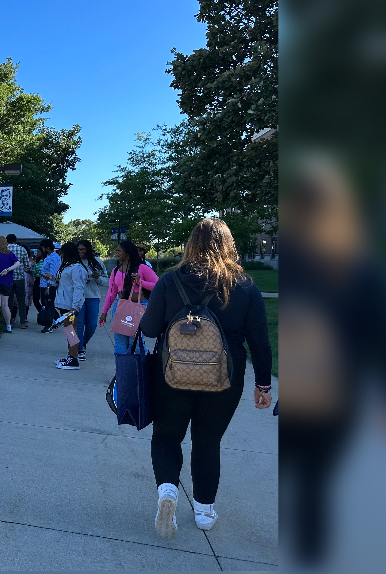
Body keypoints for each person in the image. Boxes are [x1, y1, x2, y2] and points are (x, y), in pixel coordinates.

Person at [139, 218, 274, 539]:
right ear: (228, 245)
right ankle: (203, 511)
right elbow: (260, 341)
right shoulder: (244, 286)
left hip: (172, 373)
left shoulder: (170, 282)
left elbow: (149, 329)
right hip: (224, 377)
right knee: (208, 440)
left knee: (167, 436)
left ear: (190, 245)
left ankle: (168, 491)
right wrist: (263, 385)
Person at [99, 240, 159, 353]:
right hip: (121, 307)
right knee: (120, 344)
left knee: (135, 343)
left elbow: (157, 285)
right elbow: (111, 294)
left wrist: (141, 282)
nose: (116, 253)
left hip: (139, 307)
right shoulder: (116, 270)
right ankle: (122, 370)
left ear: (127, 253)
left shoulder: (142, 268)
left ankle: (141, 369)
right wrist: (104, 312)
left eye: (119, 251)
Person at [52, 242, 87, 369]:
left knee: (72, 331)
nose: (61, 255)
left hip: (70, 306)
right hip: (64, 304)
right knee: (69, 331)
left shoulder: (77, 268)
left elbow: (79, 288)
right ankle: (70, 356)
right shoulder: (68, 266)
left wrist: (75, 307)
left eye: (63, 253)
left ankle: (73, 359)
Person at [73, 240, 109, 360]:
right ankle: (80, 349)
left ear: (88, 250)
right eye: (78, 250)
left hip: (93, 296)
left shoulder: (97, 262)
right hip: (78, 297)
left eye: (83, 249)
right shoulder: (74, 262)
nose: (80, 252)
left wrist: (97, 278)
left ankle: (83, 343)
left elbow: (106, 281)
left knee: (92, 325)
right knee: (79, 324)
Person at [5, 234, 32, 329]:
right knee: (21, 301)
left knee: (9, 301)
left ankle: (9, 321)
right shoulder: (22, 249)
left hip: (8, 279)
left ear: (7, 241)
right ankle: (22, 322)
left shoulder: (4, 249)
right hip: (20, 279)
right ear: (16, 240)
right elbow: (26, 265)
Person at [38, 240, 61, 332]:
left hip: (49, 285)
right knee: (45, 304)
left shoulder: (54, 258)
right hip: (43, 284)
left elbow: (52, 274)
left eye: (43, 247)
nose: (42, 249)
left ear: (47, 248)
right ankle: (58, 319)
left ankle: (49, 325)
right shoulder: (48, 257)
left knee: (49, 305)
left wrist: (48, 287)